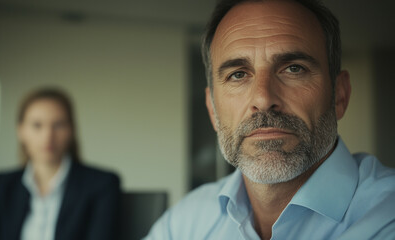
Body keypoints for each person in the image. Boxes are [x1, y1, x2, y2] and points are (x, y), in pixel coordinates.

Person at [145, 0, 395, 239]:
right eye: (238, 74)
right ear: (212, 109)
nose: (263, 99)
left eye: (293, 68)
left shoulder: (387, 216)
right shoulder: (184, 223)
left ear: (340, 95)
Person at [0, 88, 121, 240]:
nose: (48, 136)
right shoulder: (4, 184)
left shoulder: (101, 184)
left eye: (58, 125)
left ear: (72, 130)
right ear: (21, 131)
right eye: (37, 125)